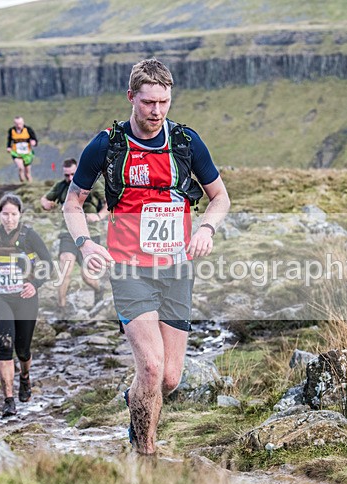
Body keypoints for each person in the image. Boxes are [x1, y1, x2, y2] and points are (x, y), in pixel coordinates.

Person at [64, 58, 230, 455]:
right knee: (151, 368)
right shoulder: (108, 144)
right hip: (128, 268)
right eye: (148, 103)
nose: (156, 111)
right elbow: (73, 203)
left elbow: (220, 197)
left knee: (169, 378)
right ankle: (146, 454)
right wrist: (86, 243)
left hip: (176, 269)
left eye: (164, 102)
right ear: (131, 98)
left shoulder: (187, 142)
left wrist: (206, 229)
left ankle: (135, 398)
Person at [0, 194, 52, 417]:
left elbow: (48, 263)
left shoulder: (29, 235)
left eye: (13, 214)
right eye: (5, 214)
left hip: (25, 298)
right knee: (5, 346)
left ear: (20, 215)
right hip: (0, 297)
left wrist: (35, 285)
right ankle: (8, 399)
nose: (9, 219)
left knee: (23, 349)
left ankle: (25, 377)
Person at [40, 158, 108, 309]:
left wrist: (99, 216)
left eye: (73, 174)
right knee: (65, 268)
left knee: (87, 277)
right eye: (66, 175)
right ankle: (62, 308)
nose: (70, 178)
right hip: (68, 233)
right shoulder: (61, 186)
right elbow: (45, 198)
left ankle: (99, 290)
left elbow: (108, 203)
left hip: (91, 233)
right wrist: (45, 203)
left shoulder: (93, 184)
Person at [6, 116, 37, 182]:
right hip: (16, 152)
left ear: (23, 123)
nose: (18, 125)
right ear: (14, 124)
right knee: (21, 168)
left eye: (20, 123)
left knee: (27, 173)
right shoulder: (11, 130)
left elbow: (34, 139)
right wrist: (8, 147)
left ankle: (30, 184)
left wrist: (34, 142)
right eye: (17, 124)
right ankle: (22, 182)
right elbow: (9, 140)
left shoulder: (28, 129)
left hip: (27, 153)